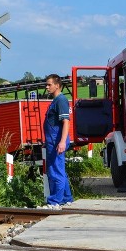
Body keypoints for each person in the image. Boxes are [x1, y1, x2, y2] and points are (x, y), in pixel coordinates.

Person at [42, 74, 74, 209]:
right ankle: (67, 198)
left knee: (55, 171)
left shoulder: (60, 100)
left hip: (56, 141)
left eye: (49, 84)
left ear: (57, 85)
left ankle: (55, 201)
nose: (47, 87)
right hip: (53, 140)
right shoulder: (55, 101)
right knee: (59, 169)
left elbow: (66, 122)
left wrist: (61, 142)